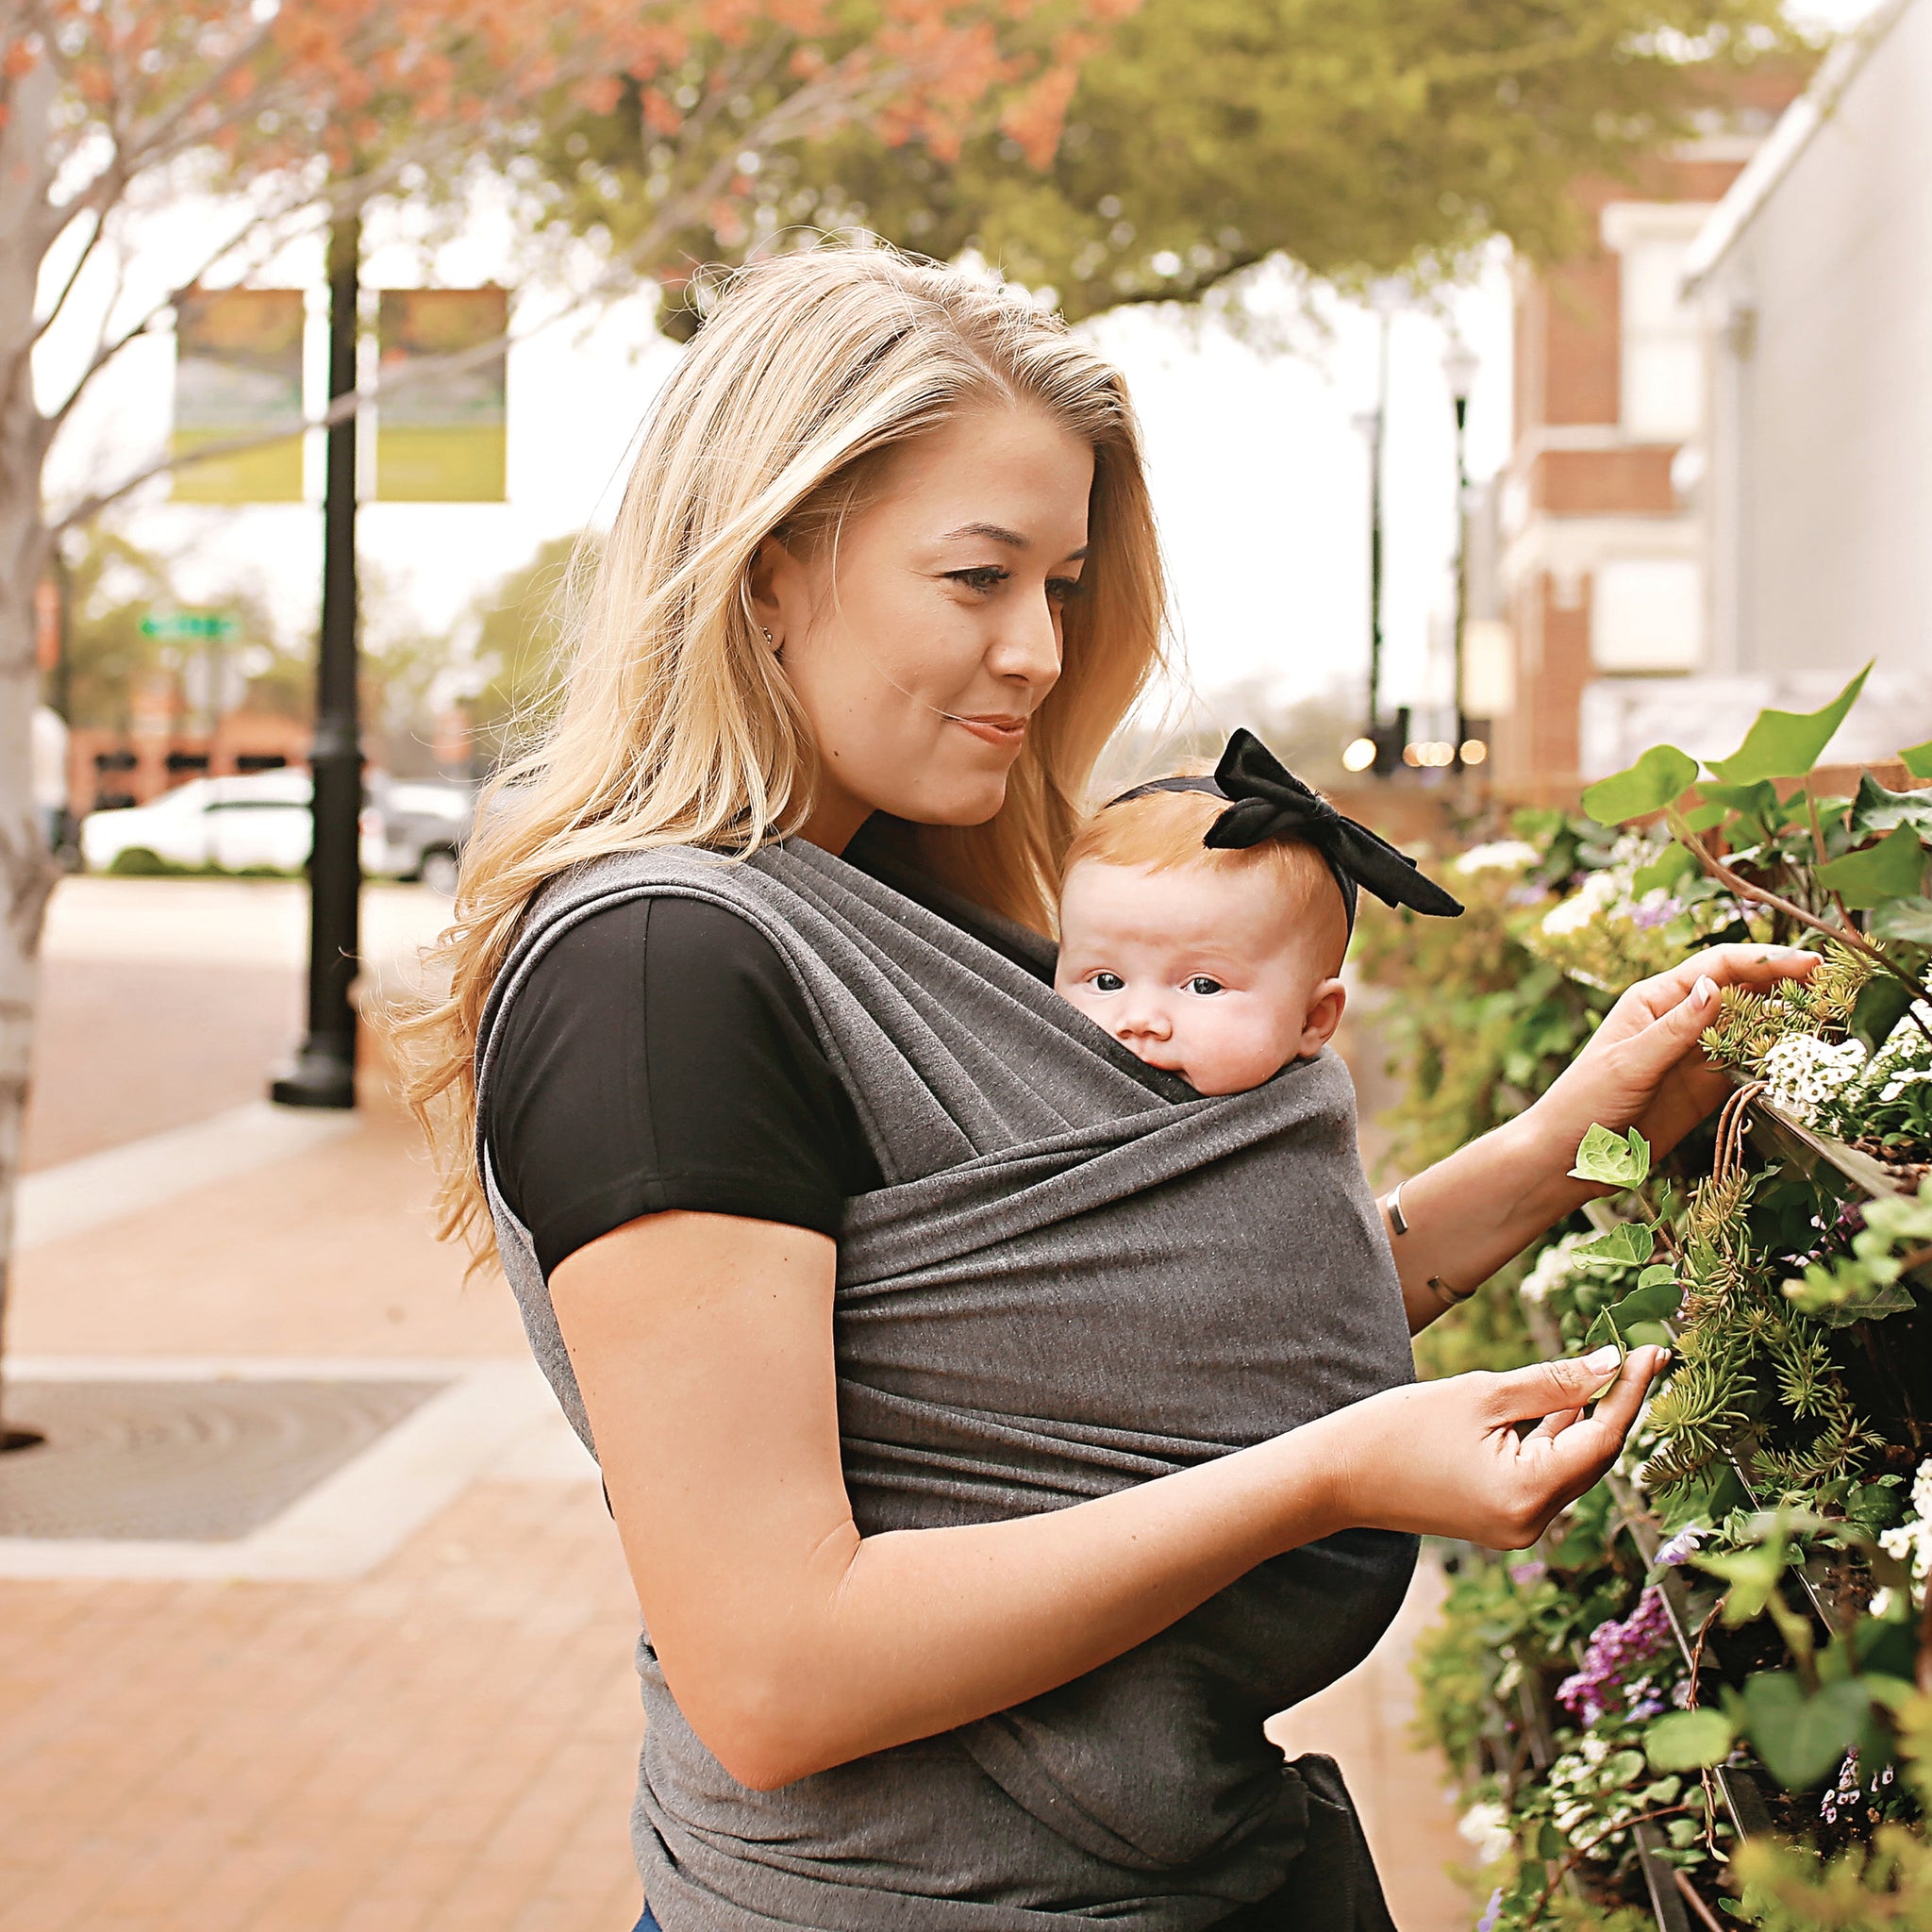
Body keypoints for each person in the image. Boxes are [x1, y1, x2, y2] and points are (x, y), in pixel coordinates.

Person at [392, 244, 1814, 1932]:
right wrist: (1329, 1474)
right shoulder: (659, 977)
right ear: (768, 570)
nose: (1035, 652)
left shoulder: (919, 899)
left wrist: (1570, 1138)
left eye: (1059, 586)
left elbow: (1144, 1334)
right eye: (976, 578)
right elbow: (776, 1669)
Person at [1054, 731, 1464, 1095]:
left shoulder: (1295, 1139)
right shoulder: (1034, 1090)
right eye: (1106, 981)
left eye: (1203, 986)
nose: (1140, 1020)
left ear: (1312, 1019)